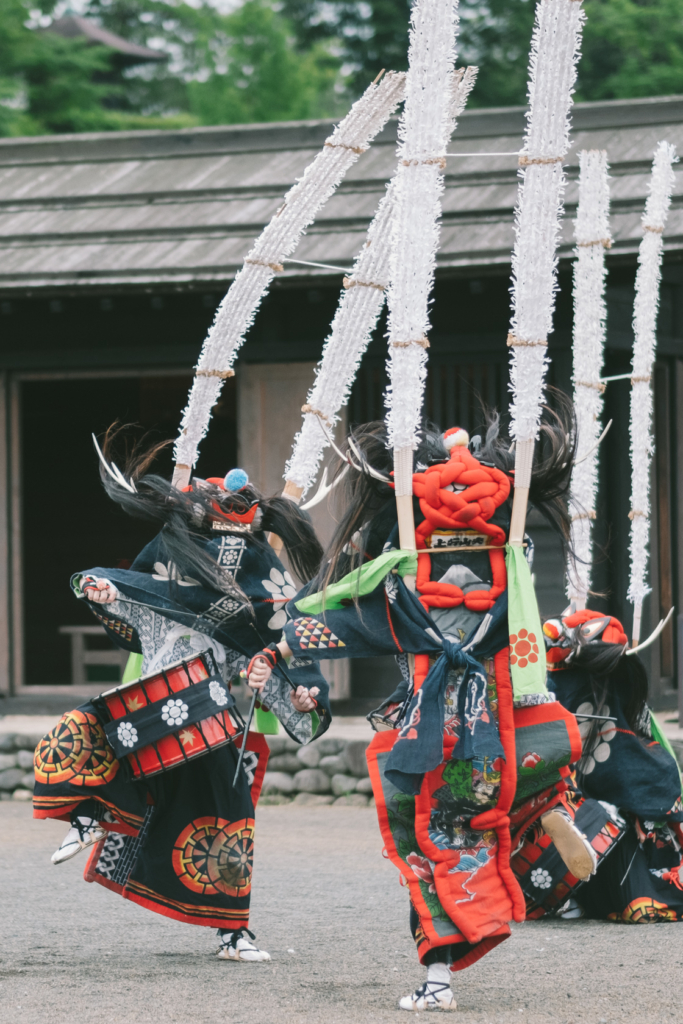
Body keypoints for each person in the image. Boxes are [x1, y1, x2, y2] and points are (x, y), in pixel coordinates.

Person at [247, 405, 595, 1010]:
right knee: (509, 788)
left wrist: (281, 647)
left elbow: (343, 622)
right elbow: (529, 631)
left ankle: (438, 979)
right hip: (496, 728)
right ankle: (541, 809)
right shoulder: (509, 574)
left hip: (423, 738)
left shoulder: (401, 592)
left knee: (429, 849)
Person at [34, 438, 329, 962]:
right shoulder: (164, 574)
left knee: (231, 812)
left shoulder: (253, 595)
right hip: (154, 697)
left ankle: (233, 930)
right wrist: (109, 591)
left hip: (212, 708)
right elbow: (134, 591)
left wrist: (298, 692)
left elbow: (276, 643)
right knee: (86, 729)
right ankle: (89, 814)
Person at [518, 607, 683, 924]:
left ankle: (571, 893)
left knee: (595, 814)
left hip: (612, 850)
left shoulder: (626, 741)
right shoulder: (584, 698)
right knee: (585, 812)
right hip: (585, 841)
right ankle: (568, 891)